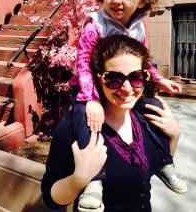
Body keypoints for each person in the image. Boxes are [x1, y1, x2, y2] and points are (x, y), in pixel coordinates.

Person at [70, 0, 187, 211]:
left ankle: (165, 162)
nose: (116, 1)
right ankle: (94, 181)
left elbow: (142, 63)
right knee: (83, 118)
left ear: (141, 0)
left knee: (154, 106)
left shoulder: (138, 28)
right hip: (92, 84)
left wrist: (160, 80)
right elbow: (82, 62)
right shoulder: (95, 24)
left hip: (122, 84)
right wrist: (90, 99)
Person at [41, 34, 182, 212]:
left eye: (136, 77)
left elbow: (156, 164)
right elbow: (50, 199)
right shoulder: (73, 127)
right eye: (113, 79)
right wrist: (79, 178)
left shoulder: (146, 116)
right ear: (99, 79)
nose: (127, 88)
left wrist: (174, 135)